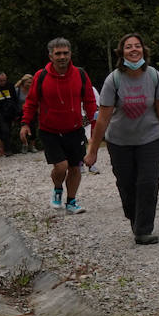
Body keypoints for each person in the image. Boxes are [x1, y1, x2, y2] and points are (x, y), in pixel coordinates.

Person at [84, 33, 159, 244]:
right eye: (128, 47)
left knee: (148, 183)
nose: (133, 50)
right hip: (119, 142)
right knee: (126, 185)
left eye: (137, 46)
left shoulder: (153, 76)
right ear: (121, 52)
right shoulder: (114, 79)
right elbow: (103, 119)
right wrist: (93, 150)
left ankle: (143, 230)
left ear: (144, 50)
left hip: (151, 139)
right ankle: (135, 217)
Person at [20, 39, 97, 212]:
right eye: (58, 54)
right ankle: (57, 189)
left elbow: (90, 102)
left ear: (70, 54)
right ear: (50, 56)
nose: (62, 57)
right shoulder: (41, 76)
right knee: (61, 167)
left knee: (75, 167)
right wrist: (25, 123)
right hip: (50, 130)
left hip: (74, 128)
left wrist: (95, 126)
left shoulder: (80, 74)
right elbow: (31, 102)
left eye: (65, 53)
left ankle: (71, 201)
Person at [0, 73, 20, 157]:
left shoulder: (10, 85)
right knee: (4, 129)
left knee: (8, 130)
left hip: (9, 110)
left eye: (4, 80)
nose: (3, 82)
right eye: (1, 81)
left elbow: (15, 99)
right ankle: (7, 150)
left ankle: (7, 147)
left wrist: (16, 112)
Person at [15, 74, 35, 152]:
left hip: (31, 111)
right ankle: (24, 144)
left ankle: (32, 145)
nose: (30, 84)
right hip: (21, 112)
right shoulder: (17, 90)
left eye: (31, 82)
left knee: (32, 128)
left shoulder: (33, 90)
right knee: (23, 129)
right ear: (23, 82)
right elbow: (14, 102)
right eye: (28, 82)